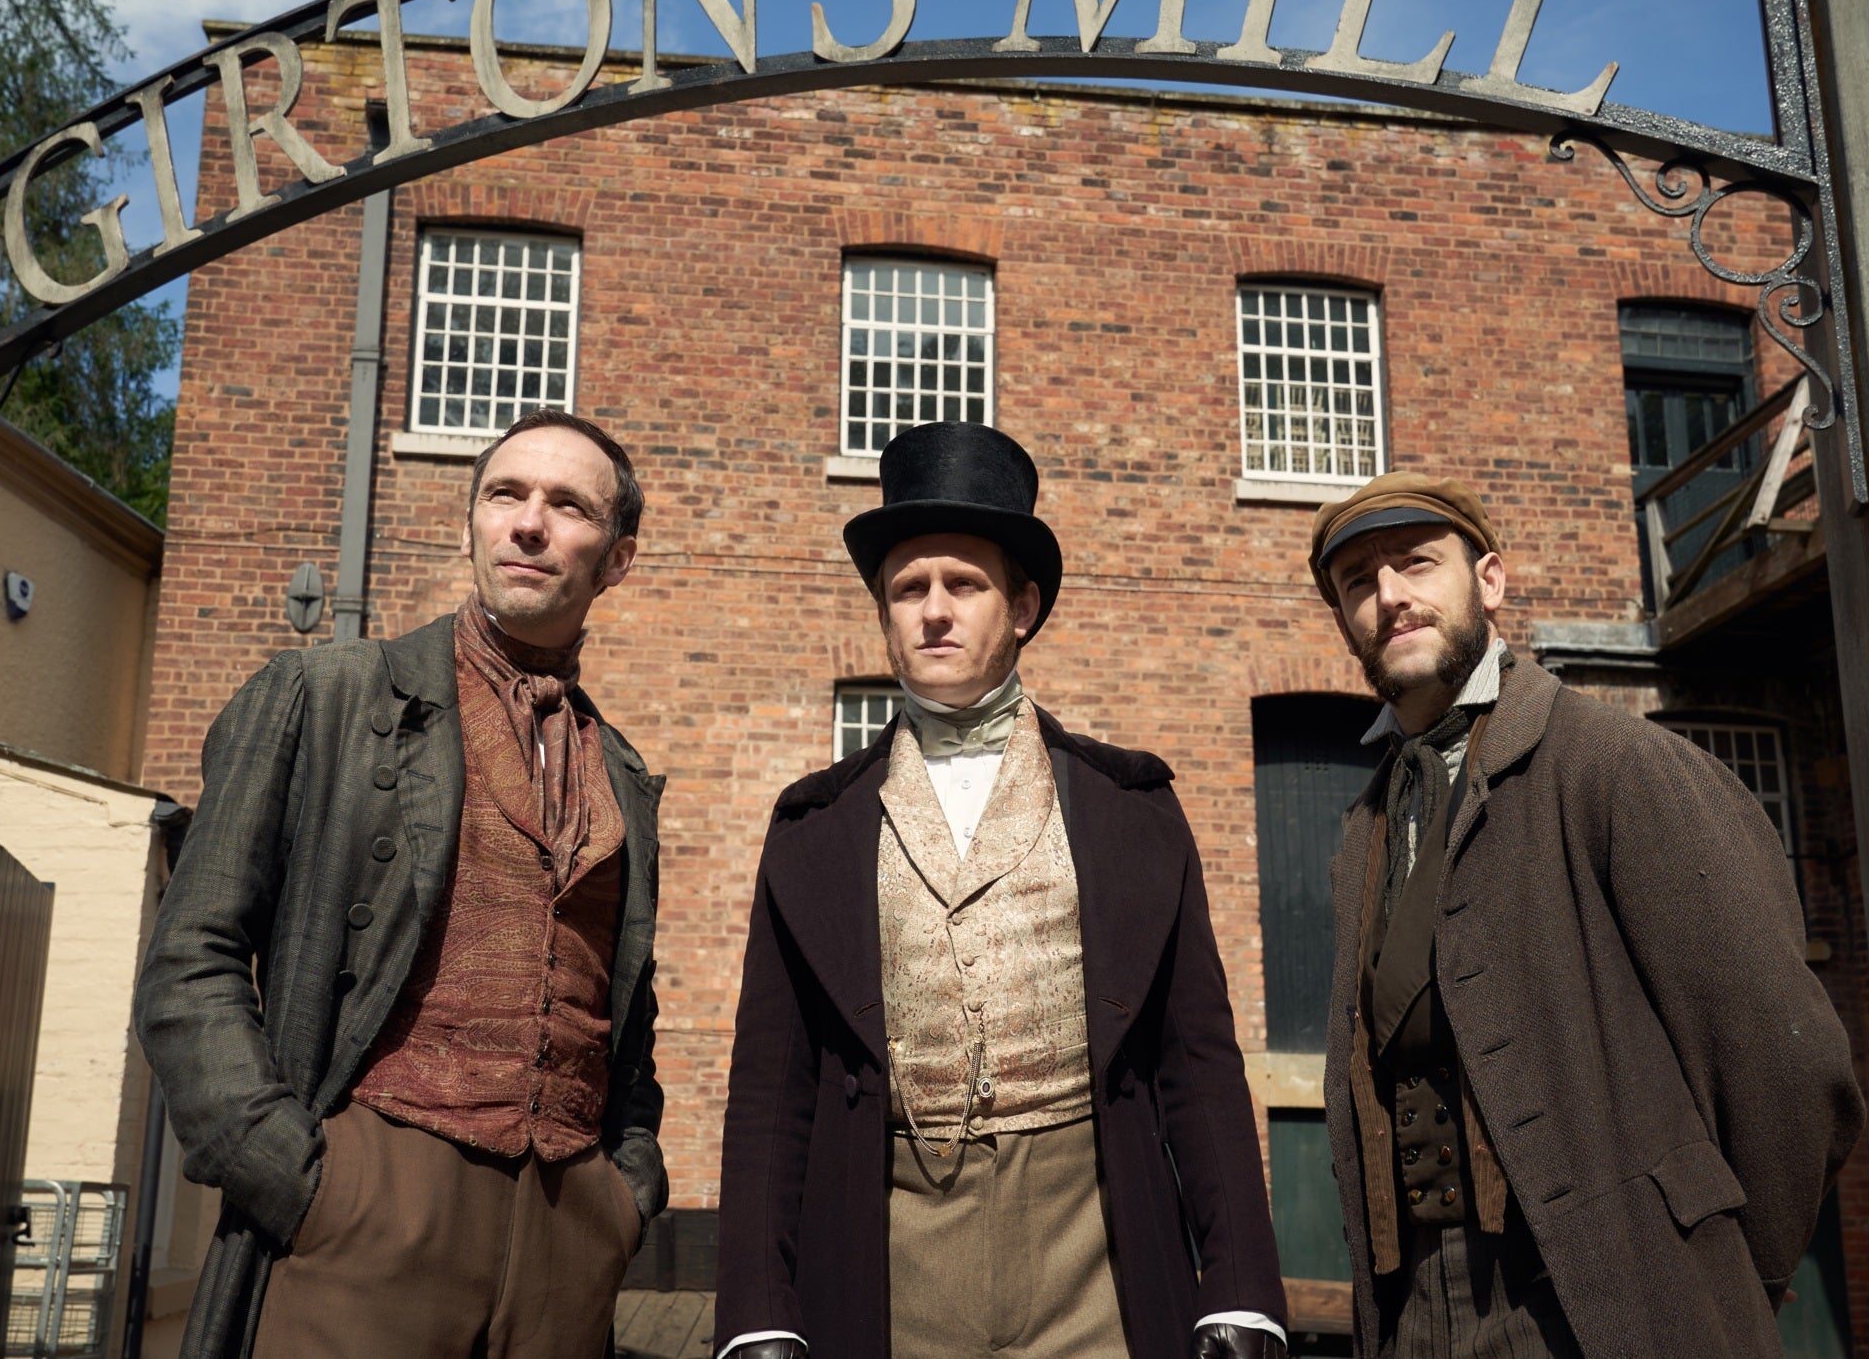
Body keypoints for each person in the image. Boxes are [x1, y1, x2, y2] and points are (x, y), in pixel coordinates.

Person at [716, 422, 1289, 1359]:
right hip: (889, 1250)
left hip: (1095, 1245)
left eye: (964, 585)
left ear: (1022, 606)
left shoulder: (1130, 806)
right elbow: (771, 1090)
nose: (933, 612)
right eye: (908, 590)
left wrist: (1241, 1286)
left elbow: (1199, 1062)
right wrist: (754, 1310)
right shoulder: (814, 828)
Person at [134, 410, 668, 1359]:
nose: (529, 523)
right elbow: (191, 958)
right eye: (505, 495)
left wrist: (624, 1191)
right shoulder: (323, 696)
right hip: (364, 1203)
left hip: (568, 1231)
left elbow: (626, 1009)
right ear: (472, 524)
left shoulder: (621, 768)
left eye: (568, 505)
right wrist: (291, 1173)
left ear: (617, 558)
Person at [1305, 472, 1862, 1359]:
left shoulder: (1616, 765)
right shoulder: (1365, 824)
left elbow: (1784, 1062)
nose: (1391, 598)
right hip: (1417, 1313)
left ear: (1488, 580)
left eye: (1416, 564)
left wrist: (1715, 1271)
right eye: (1358, 584)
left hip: (1610, 1308)